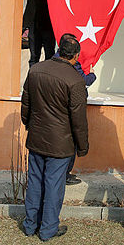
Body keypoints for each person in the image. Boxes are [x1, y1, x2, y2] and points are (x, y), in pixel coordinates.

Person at [21, 34, 88, 242]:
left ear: (60, 51)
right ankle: (48, 229)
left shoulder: (36, 70)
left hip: (37, 137)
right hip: (61, 143)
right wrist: (82, 146)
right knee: (53, 186)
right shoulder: (75, 80)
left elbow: (26, 104)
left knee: (34, 182)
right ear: (75, 56)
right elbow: (79, 119)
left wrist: (28, 124)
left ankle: (30, 225)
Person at [52, 46, 96, 186]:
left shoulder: (50, 65)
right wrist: (92, 75)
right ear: (75, 55)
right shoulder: (73, 66)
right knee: (69, 145)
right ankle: (64, 175)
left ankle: (60, 174)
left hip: (53, 115)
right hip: (67, 113)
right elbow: (83, 82)